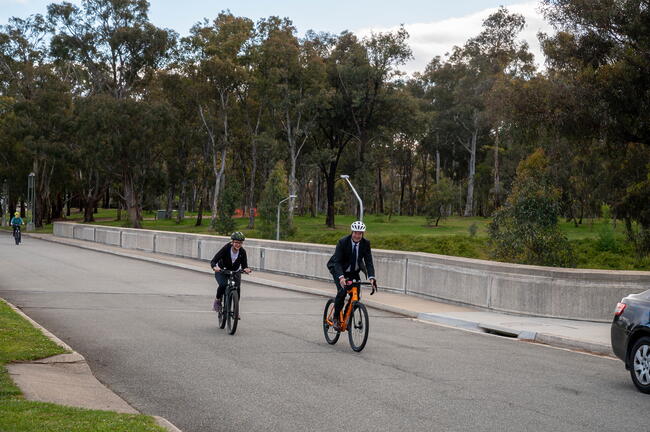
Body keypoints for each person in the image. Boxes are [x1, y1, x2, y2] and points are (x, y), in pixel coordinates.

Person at [327, 220, 377, 330]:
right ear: (352, 232)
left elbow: (369, 261)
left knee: (356, 296)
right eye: (355, 233)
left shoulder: (365, 243)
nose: (357, 235)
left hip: (353, 272)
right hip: (338, 269)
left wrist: (372, 277)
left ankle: (346, 318)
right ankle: (335, 318)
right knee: (342, 291)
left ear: (363, 234)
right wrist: (341, 277)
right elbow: (337, 262)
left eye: (360, 233)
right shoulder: (343, 242)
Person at [210, 232, 252, 313]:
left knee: (237, 288)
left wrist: (246, 269)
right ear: (232, 242)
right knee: (223, 284)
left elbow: (244, 265)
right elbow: (214, 260)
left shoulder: (242, 252)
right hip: (222, 270)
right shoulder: (226, 248)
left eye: (240, 243)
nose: (238, 245)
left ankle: (236, 310)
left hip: (235, 271)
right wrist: (215, 267)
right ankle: (217, 300)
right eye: (236, 242)